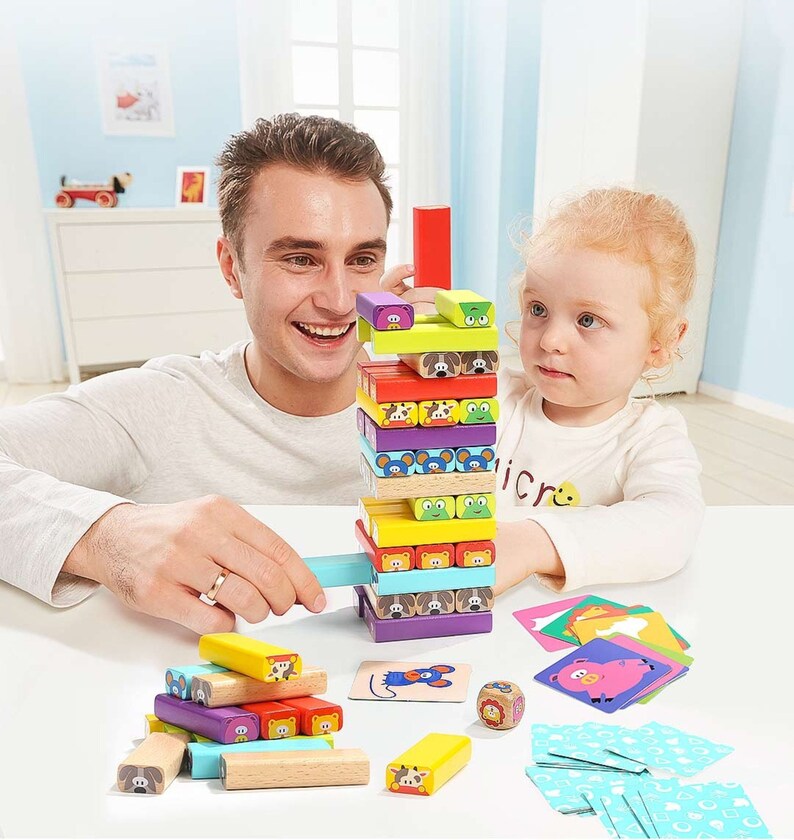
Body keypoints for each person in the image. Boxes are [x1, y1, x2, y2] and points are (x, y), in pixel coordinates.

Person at [0, 113, 410, 634]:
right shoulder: (162, 406)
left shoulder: (437, 402)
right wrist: (106, 536)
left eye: (362, 259)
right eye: (301, 258)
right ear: (231, 268)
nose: (337, 301)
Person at [490, 187, 705, 594]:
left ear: (660, 343)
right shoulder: (500, 396)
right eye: (538, 309)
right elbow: (430, 401)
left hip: (575, 631)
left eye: (588, 320)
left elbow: (673, 525)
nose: (551, 339)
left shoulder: (650, 438)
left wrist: (534, 543)